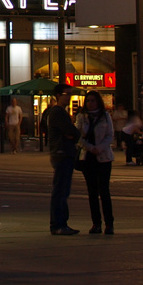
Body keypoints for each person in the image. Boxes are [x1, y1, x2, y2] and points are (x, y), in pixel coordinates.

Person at [76, 91, 115, 234]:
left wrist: (100, 147)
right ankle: (96, 223)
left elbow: (110, 135)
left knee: (104, 191)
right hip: (88, 157)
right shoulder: (81, 117)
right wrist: (90, 147)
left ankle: (109, 224)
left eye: (93, 100)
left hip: (104, 157)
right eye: (88, 101)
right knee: (92, 192)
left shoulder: (105, 116)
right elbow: (78, 136)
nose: (90, 103)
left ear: (98, 102)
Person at [44, 84, 80, 235]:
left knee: (63, 190)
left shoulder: (60, 112)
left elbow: (72, 133)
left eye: (71, 93)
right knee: (61, 190)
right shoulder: (58, 112)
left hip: (63, 153)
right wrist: (71, 134)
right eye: (67, 93)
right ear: (58, 95)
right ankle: (58, 224)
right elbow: (72, 132)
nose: (69, 96)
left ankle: (61, 223)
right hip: (62, 153)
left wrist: (72, 134)